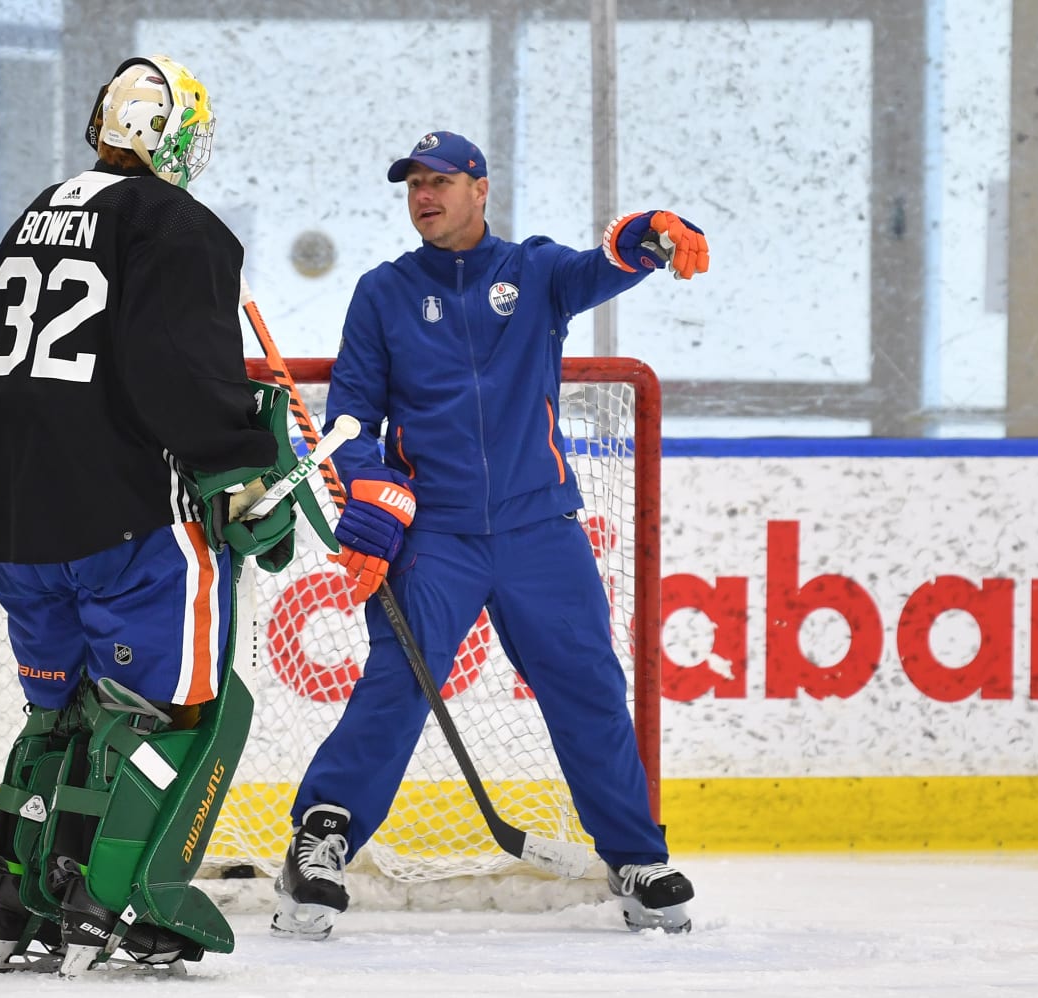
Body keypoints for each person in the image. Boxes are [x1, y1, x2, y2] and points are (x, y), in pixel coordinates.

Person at [271, 130, 712, 939]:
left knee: (587, 686)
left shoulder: (534, 271)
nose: (424, 196)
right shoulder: (383, 292)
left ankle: (635, 857)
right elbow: (351, 417)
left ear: (480, 189)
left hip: (538, 525)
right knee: (397, 685)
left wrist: (647, 232)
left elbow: (603, 266)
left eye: (440, 181)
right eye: (413, 184)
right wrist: (369, 486)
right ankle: (322, 839)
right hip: (436, 534)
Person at [0, 54, 309, 977]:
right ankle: (116, 899)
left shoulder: (36, 215)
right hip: (127, 520)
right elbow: (178, 373)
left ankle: (22, 891)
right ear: (182, 138)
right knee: (171, 714)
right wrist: (241, 464)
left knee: (60, 716)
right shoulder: (178, 225)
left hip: (16, 521)